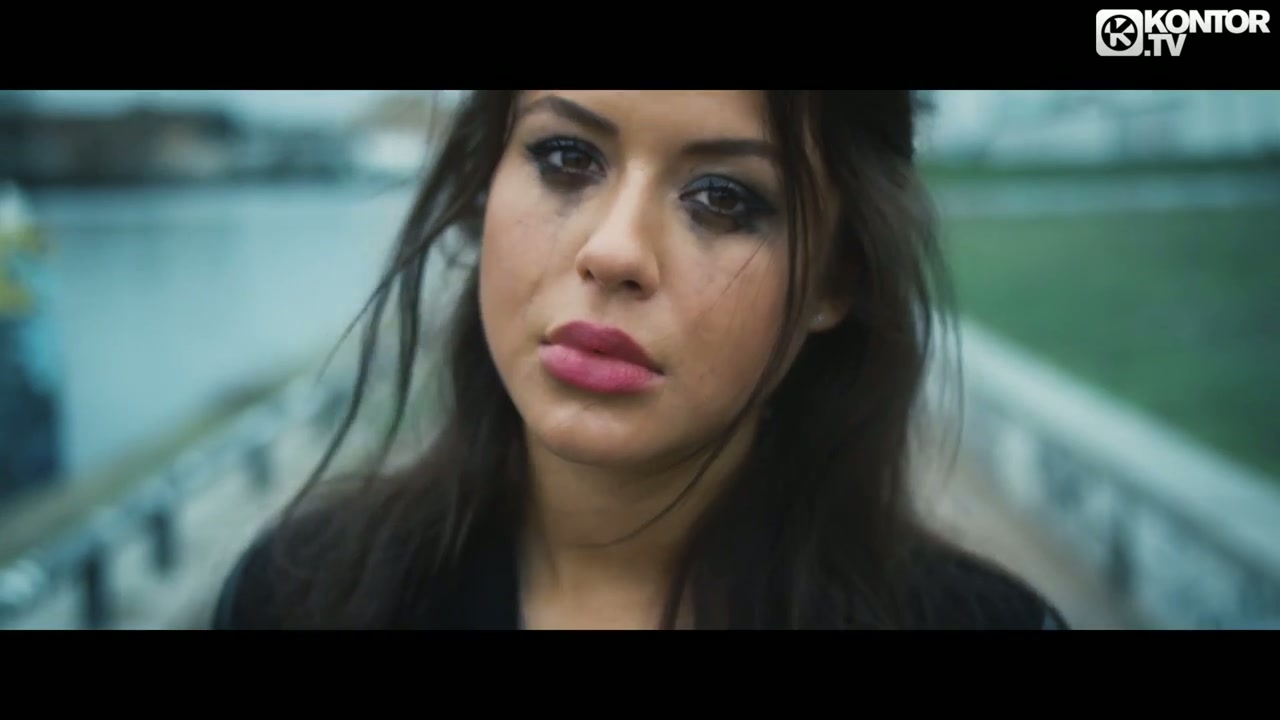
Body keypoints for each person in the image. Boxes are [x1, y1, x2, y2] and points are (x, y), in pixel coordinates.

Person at [213, 90, 1070, 630]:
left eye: (722, 198)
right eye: (566, 157)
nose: (615, 250)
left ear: (833, 280)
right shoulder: (302, 597)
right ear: (483, 184)